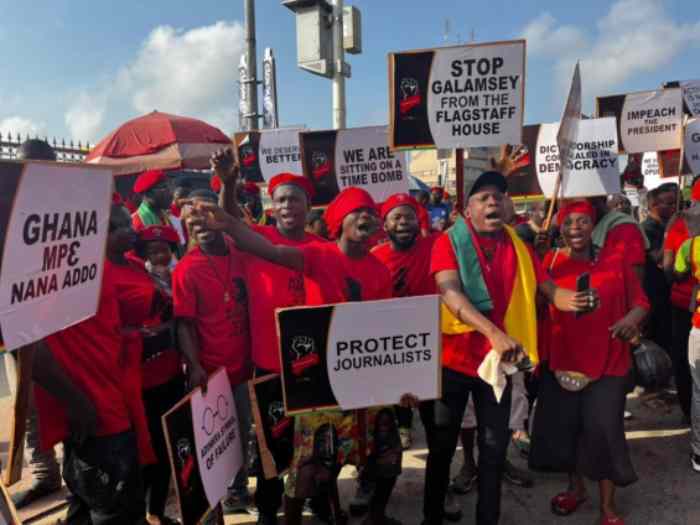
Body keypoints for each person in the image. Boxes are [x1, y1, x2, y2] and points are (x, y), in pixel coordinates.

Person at [189, 187, 405, 525]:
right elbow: (264, 247)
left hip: (352, 377)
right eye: (357, 211)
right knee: (292, 456)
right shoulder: (319, 255)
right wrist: (228, 220)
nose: (366, 217)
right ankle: (273, 514)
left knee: (374, 454)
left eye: (371, 212)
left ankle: (352, 512)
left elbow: (383, 332)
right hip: (304, 373)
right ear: (339, 221)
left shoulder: (379, 270)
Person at [423, 171, 594, 525]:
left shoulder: (519, 245)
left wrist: (574, 300)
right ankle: (432, 517)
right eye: (483, 197)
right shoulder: (447, 242)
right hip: (452, 362)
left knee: (493, 449)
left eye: (498, 196)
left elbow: (547, 290)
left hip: (497, 366)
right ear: (468, 209)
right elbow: (450, 292)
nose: (492, 202)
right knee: (441, 449)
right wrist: (493, 333)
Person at [211, 149, 325, 524]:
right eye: (280, 200)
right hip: (268, 363)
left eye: (295, 199)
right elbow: (226, 219)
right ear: (270, 207)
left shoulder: (322, 249)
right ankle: (267, 509)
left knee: (314, 441)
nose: (288, 205)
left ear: (308, 206)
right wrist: (228, 181)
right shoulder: (253, 238)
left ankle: (312, 498)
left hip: (315, 366)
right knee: (270, 444)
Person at [32, 204, 155, 524]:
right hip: (97, 416)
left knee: (89, 505)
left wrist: (128, 333)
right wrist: (76, 403)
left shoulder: (94, 268)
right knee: (115, 511)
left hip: (111, 402)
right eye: (117, 226)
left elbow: (100, 328)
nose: (128, 230)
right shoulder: (59, 273)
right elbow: (32, 349)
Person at [530, 200, 648, 525]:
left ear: (592, 225)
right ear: (560, 228)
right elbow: (534, 304)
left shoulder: (615, 259)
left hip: (609, 361)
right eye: (568, 223)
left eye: (582, 222)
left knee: (604, 433)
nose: (575, 229)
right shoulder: (550, 261)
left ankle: (607, 507)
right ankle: (576, 489)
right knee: (568, 431)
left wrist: (630, 320)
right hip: (563, 361)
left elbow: (641, 302)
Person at [173, 189, 253, 513]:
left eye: (205, 218)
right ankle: (224, 497)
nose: (200, 226)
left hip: (247, 364)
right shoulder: (186, 270)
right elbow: (184, 324)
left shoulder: (241, 251)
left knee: (244, 430)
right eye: (192, 222)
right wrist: (194, 365)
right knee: (220, 439)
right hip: (214, 371)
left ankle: (240, 488)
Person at [6, 139, 63, 509]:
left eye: (41, 166)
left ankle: (75, 468)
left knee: (69, 396)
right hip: (17, 321)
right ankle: (44, 473)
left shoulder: (71, 203)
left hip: (63, 318)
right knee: (26, 405)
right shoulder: (6, 204)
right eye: (26, 167)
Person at [115, 224, 184, 525]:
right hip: (138, 382)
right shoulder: (133, 275)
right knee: (143, 453)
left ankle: (156, 510)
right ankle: (140, 513)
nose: (158, 255)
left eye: (163, 250)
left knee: (167, 448)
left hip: (171, 375)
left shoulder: (179, 277)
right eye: (151, 250)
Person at [663, 177, 700, 422]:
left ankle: (690, 413)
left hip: (684, 303)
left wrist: (675, 278)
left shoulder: (678, 221)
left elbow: (668, 266)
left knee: (687, 362)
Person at [641, 184, 678, 354]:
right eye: (669, 204)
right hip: (654, 293)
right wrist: (669, 234)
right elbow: (657, 258)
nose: (674, 207)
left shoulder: (667, 225)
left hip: (669, 291)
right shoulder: (646, 229)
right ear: (653, 206)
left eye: (675, 203)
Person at [132, 169, 186, 248]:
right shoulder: (137, 222)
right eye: (164, 188)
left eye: (169, 186)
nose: (170, 193)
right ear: (148, 194)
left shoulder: (165, 215)